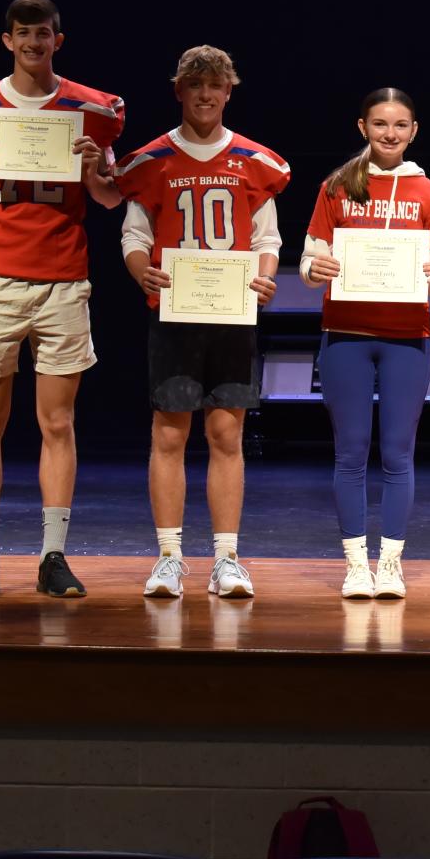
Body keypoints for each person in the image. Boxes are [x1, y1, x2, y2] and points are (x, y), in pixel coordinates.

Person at [0, 0, 124, 599]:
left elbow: (106, 199)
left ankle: (53, 554)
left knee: (58, 421)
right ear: (7, 40)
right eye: (23, 34)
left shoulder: (93, 111)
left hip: (63, 279)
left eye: (43, 34)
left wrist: (99, 169)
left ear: (57, 41)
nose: (33, 44)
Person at [115, 46, 288, 600]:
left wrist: (263, 279)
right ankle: (169, 557)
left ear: (229, 91)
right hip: (175, 314)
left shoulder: (257, 162)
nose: (206, 95)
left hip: (231, 314)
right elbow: (135, 235)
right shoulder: (151, 161)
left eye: (216, 85)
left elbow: (267, 238)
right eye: (196, 86)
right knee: (170, 432)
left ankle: (227, 558)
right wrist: (142, 272)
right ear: (180, 91)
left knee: (226, 432)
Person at [297, 88, 430, 599]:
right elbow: (307, 265)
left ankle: (389, 563)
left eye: (401, 125)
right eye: (381, 124)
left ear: (414, 131)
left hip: (408, 338)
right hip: (346, 336)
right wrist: (313, 268)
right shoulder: (336, 187)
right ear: (362, 127)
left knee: (397, 454)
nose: (391, 133)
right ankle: (354, 565)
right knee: (348, 453)